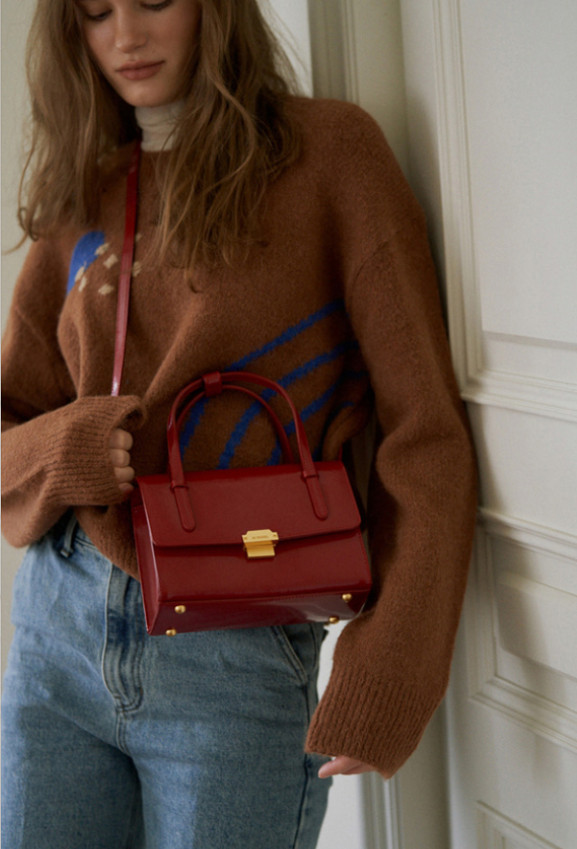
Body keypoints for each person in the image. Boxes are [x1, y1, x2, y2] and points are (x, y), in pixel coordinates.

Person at [1, 0, 478, 847]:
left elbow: (425, 434)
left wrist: (386, 668)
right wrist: (65, 447)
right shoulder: (84, 187)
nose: (126, 36)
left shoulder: (329, 156)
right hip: (57, 629)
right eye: (96, 11)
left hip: (235, 647)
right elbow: (12, 426)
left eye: (154, 0)